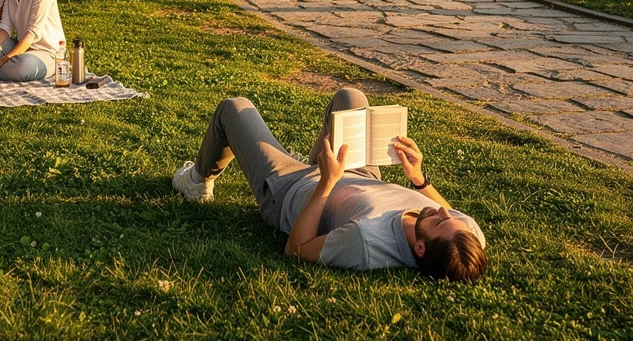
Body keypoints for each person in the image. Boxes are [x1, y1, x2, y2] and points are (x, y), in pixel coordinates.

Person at [172, 90, 487, 281]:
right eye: (452, 217)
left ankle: (198, 181)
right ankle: (316, 160)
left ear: (420, 248)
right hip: (360, 175)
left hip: (292, 190)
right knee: (352, 98)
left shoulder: (366, 243)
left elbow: (296, 249)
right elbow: (449, 216)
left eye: (437, 221)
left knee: (234, 108)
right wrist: (419, 179)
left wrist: (327, 181)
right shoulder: (466, 235)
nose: (443, 211)